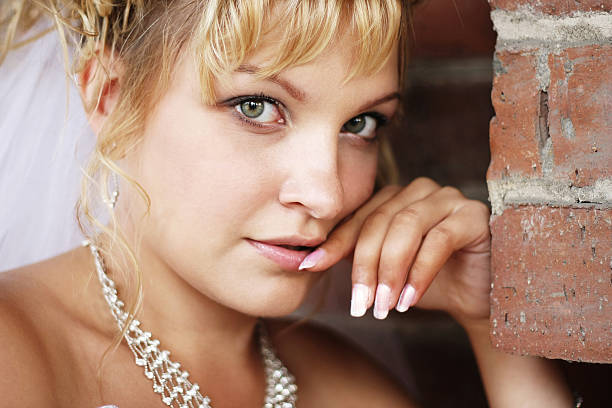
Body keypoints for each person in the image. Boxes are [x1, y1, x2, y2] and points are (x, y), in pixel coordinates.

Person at [0, 1, 576, 407]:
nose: (327, 196)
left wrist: (493, 326)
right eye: (256, 107)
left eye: (361, 122)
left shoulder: (350, 392)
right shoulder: (15, 355)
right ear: (110, 97)